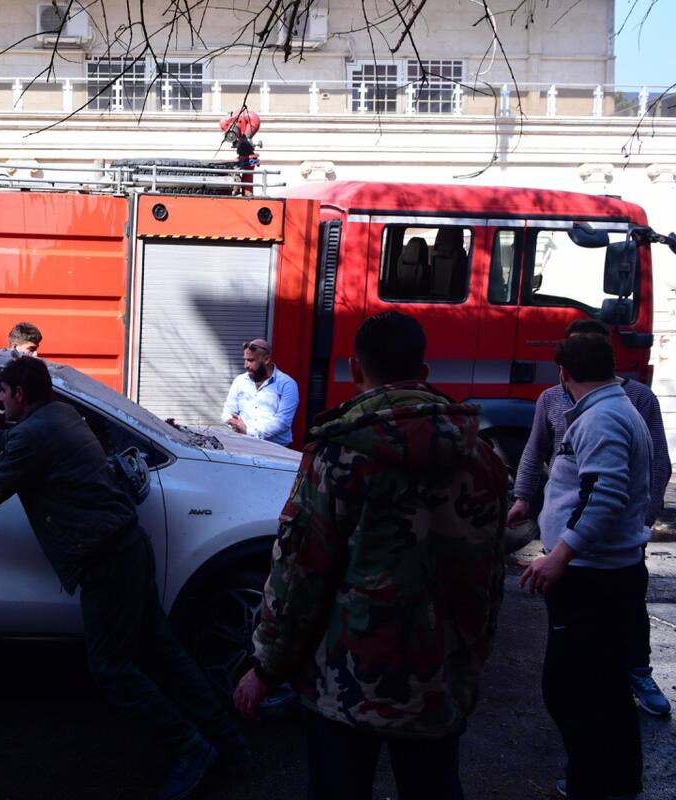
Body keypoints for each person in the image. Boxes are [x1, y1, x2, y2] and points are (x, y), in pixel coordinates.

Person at [0, 356, 243, 800]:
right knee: (163, 649)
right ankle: (229, 740)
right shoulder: (58, 415)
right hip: (126, 547)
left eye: (2, 392)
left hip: (103, 560)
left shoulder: (35, 433)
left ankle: (191, 747)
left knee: (112, 669)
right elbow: (6, 441)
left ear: (20, 394)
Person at [234, 311, 507, 800]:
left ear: (354, 367)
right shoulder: (481, 455)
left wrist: (266, 666)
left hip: (347, 682)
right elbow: (490, 573)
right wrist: (472, 658)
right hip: (439, 677)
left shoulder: (339, 453)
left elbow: (301, 570)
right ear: (423, 372)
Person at [509, 318, 672, 717]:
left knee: (610, 643)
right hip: (575, 548)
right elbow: (535, 452)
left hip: (599, 553)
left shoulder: (626, 404)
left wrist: (641, 521)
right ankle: (608, 764)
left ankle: (639, 673)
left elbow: (649, 468)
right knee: (585, 656)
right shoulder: (552, 399)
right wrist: (523, 498)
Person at [520, 332, 651, 800]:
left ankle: (590, 785)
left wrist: (560, 555)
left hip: (592, 578)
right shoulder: (614, 409)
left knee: (571, 690)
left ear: (564, 374)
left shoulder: (602, 418)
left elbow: (604, 495)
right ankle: (618, 782)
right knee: (608, 683)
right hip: (606, 573)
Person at [220, 339, 299, 446]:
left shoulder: (287, 384)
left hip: (276, 449)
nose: (246, 365)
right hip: (243, 444)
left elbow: (282, 422)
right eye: (245, 360)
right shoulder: (240, 381)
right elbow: (228, 410)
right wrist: (233, 422)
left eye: (251, 360)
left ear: (266, 359)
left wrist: (248, 431)